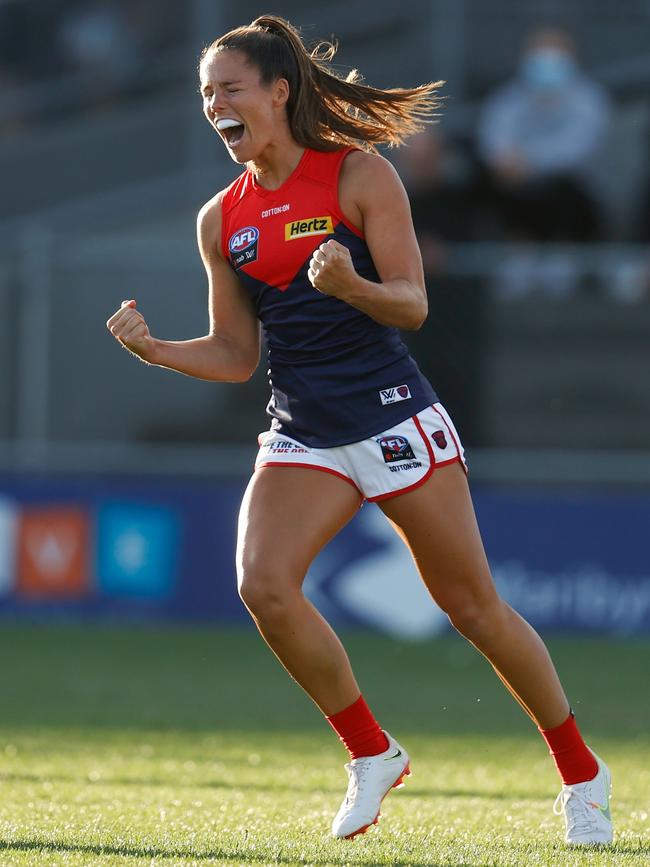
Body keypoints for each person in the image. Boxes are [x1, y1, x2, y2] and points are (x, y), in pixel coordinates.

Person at [106, 15, 613, 847]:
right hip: (303, 432)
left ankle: (582, 774)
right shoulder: (220, 218)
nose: (216, 105)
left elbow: (412, 303)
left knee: (475, 609)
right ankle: (371, 752)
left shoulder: (359, 176)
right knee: (263, 584)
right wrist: (157, 349)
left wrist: (350, 284)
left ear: (279, 92)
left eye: (230, 88)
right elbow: (237, 356)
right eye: (206, 94)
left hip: (393, 420)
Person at [477, 27, 611, 298]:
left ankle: (560, 256)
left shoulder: (589, 99)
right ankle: (520, 254)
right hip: (520, 191)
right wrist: (506, 159)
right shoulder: (509, 98)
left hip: (571, 198)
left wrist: (529, 160)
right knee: (496, 183)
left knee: (563, 188)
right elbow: (494, 138)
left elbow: (578, 148)